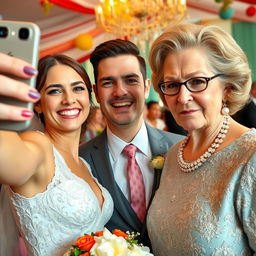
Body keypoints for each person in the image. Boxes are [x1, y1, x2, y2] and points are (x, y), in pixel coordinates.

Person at [146, 23, 256, 255]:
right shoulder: (174, 155)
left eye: (197, 82)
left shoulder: (251, 155)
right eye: (172, 85)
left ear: (227, 87)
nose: (183, 97)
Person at [0, 53, 113, 256]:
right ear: (37, 103)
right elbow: (7, 161)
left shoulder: (83, 163)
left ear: (89, 96)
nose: (69, 100)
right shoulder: (38, 145)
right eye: (54, 91)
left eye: (78, 88)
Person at [79, 39, 183, 247]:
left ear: (146, 87)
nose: (120, 92)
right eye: (108, 82)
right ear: (96, 92)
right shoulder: (79, 160)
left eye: (130, 80)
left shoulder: (183, 148)